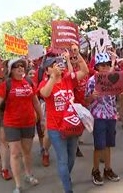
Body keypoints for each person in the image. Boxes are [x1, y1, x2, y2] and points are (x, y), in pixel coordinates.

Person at [0, 58, 44, 193]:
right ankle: (18, 185)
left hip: (29, 122)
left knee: (27, 152)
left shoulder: (29, 82)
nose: (20, 69)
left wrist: (41, 118)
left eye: (22, 66)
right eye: (16, 67)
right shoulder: (6, 84)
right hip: (12, 123)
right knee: (14, 153)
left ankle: (28, 175)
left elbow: (35, 102)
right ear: (11, 70)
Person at [38, 44, 89, 193]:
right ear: (47, 70)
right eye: (53, 65)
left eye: (58, 64)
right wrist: (53, 78)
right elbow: (45, 94)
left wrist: (76, 54)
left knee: (71, 158)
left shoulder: (68, 79)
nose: (57, 66)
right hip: (56, 128)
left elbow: (85, 71)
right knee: (63, 159)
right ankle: (68, 189)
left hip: (72, 125)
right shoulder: (45, 83)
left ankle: (66, 177)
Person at [85, 53, 123, 186]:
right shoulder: (92, 81)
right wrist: (92, 97)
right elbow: (85, 100)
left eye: (107, 64)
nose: (106, 67)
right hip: (98, 116)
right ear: (97, 67)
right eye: (103, 65)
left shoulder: (114, 77)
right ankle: (95, 170)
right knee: (99, 145)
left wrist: (121, 93)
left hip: (111, 115)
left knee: (108, 144)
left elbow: (117, 96)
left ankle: (108, 169)